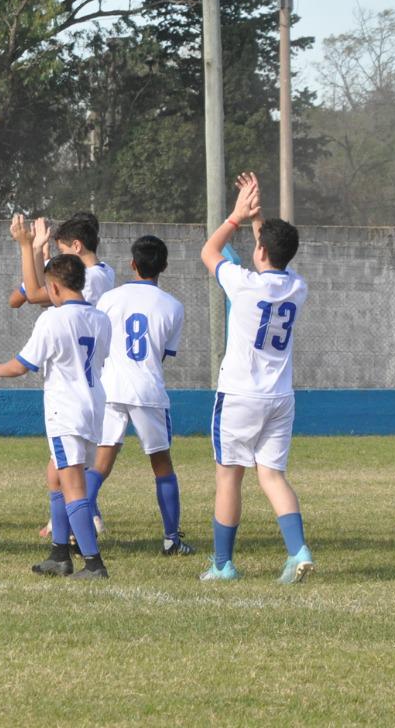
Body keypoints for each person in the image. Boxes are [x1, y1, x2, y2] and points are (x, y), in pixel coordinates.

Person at [199, 172, 314, 584]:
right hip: (280, 398)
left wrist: (236, 215)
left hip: (240, 396)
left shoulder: (243, 284)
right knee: (272, 475)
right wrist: (258, 220)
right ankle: (298, 549)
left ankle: (222, 564)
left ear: (260, 251)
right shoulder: (297, 287)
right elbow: (272, 257)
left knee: (229, 476)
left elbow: (209, 251)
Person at [0, 254, 113, 579]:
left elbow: (24, 363)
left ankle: (93, 563)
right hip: (93, 405)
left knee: (73, 487)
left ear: (54, 288)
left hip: (66, 409)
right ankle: (59, 555)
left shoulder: (53, 320)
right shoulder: (101, 318)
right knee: (55, 474)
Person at [10, 213, 116, 539]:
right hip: (88, 385)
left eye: (62, 253)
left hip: (72, 389)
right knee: (61, 468)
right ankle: (70, 527)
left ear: (77, 246)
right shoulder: (102, 272)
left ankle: (81, 535)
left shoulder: (91, 279)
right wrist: (44, 257)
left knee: (67, 472)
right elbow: (21, 296)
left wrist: (29, 247)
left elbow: (29, 292)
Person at [91, 235, 193, 555]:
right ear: (163, 266)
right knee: (161, 464)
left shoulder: (109, 298)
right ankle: (171, 538)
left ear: (132, 264)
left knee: (101, 462)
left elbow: (101, 343)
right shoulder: (174, 306)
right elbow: (162, 354)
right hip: (147, 389)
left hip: (110, 386)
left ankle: (71, 524)